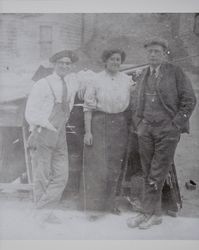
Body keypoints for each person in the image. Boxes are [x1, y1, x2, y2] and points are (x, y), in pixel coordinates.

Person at [127, 38, 196, 229]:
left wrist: (176, 124)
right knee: (148, 170)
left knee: (157, 173)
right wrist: (139, 124)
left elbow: (189, 99)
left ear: (165, 53)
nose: (153, 55)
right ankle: (152, 213)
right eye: (150, 52)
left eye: (157, 51)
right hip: (146, 130)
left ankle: (149, 213)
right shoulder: (144, 75)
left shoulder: (175, 72)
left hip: (167, 130)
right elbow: (135, 102)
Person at [25, 50, 85, 223]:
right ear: (54, 64)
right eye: (61, 63)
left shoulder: (71, 83)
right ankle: (44, 213)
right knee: (42, 175)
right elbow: (31, 112)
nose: (65, 66)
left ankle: (41, 210)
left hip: (60, 134)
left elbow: (86, 79)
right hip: (42, 131)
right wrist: (41, 128)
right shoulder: (42, 84)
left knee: (61, 175)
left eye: (68, 63)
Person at [81, 49, 135, 220]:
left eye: (118, 59)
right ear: (105, 61)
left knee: (115, 166)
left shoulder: (127, 80)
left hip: (119, 124)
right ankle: (94, 209)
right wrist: (88, 132)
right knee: (98, 166)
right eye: (112, 59)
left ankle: (110, 204)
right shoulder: (95, 80)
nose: (115, 62)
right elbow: (88, 108)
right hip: (99, 123)